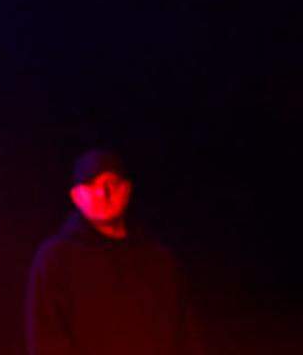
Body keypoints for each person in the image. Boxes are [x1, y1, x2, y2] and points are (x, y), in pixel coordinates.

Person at [25, 149, 203, 355]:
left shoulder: (159, 260)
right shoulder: (55, 259)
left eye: (112, 183)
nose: (104, 193)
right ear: (76, 196)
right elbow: (46, 339)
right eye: (91, 185)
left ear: (127, 189)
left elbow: (186, 333)